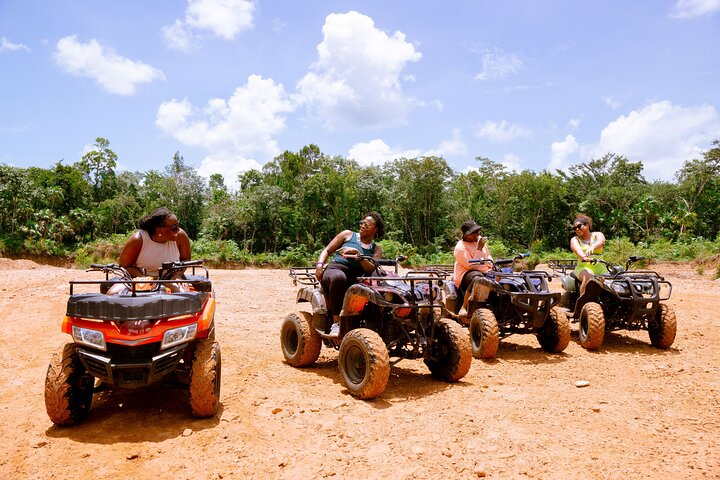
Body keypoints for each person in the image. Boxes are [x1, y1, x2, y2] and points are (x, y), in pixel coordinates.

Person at [314, 212, 385, 336]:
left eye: (367, 225)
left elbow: (370, 268)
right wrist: (319, 265)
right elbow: (327, 250)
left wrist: (359, 255)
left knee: (382, 280)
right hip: (335, 270)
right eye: (362, 223)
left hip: (356, 277)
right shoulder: (347, 235)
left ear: (375, 230)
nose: (362, 226)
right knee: (339, 278)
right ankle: (336, 323)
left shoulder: (376, 249)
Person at [108, 207, 192, 294]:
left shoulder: (181, 236)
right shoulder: (139, 239)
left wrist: (177, 275)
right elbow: (124, 265)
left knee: (183, 295)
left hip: (170, 277)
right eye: (174, 228)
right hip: (138, 277)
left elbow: (186, 259)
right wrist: (143, 278)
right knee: (112, 294)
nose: (178, 230)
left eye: (178, 226)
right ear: (159, 230)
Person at [453, 220, 492, 297]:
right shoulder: (460, 247)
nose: (478, 234)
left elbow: (488, 255)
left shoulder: (479, 240)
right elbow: (471, 266)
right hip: (466, 273)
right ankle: (465, 305)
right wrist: (479, 248)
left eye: (478, 231)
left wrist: (491, 265)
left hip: (484, 269)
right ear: (467, 235)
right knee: (478, 279)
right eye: (475, 232)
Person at [569, 213, 607, 295]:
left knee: (612, 280)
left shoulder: (597, 234)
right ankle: (583, 302)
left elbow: (601, 242)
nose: (577, 229)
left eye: (579, 226)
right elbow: (577, 250)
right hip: (584, 267)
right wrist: (584, 257)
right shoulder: (575, 239)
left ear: (587, 225)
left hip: (601, 267)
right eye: (574, 228)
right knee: (588, 278)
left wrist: (593, 246)